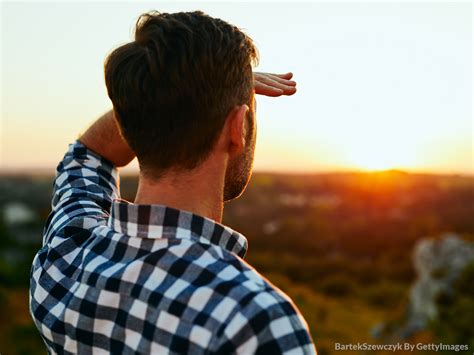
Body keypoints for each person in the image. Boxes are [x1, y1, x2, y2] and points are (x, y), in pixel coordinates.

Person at [30, 10, 317, 354]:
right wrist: (214, 93)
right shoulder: (253, 320)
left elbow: (88, 152)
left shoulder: (66, 257)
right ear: (238, 127)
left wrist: (197, 95)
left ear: (130, 121)